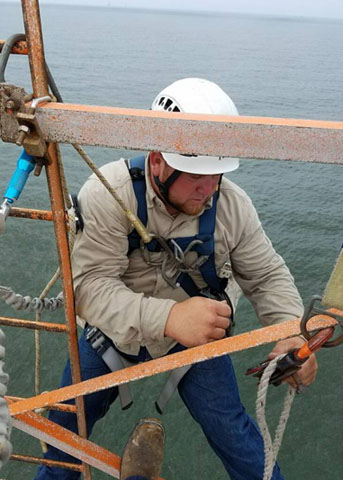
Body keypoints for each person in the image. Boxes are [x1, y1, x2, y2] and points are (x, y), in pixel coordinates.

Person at [35, 78, 317, 480]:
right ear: (157, 160)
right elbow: (89, 286)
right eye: (195, 176)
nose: (209, 188)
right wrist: (169, 318)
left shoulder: (231, 206)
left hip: (197, 338)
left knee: (235, 437)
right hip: (113, 336)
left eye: (217, 175)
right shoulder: (107, 195)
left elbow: (266, 274)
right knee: (64, 439)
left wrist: (292, 333)